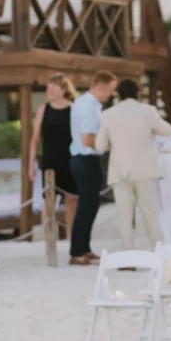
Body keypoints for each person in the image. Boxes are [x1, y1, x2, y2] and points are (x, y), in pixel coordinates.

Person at [97, 78, 171, 251]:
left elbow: (100, 146)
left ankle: (127, 258)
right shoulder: (148, 111)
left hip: (119, 172)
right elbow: (169, 131)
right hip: (145, 171)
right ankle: (159, 253)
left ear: (119, 94)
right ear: (137, 93)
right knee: (150, 215)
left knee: (124, 218)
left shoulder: (108, 114)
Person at [69, 70, 117, 266]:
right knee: (86, 207)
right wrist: (108, 145)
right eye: (110, 90)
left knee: (89, 206)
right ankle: (77, 252)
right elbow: (88, 139)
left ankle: (84, 248)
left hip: (80, 159)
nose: (111, 94)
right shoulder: (90, 107)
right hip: (86, 159)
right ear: (101, 87)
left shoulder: (82, 101)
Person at [29, 73, 79, 239]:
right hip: (50, 162)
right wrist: (31, 165)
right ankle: (49, 239)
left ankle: (73, 239)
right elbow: (35, 139)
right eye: (48, 87)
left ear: (63, 90)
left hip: (70, 161)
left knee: (72, 201)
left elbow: (78, 138)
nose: (48, 90)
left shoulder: (74, 109)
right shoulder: (44, 110)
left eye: (53, 87)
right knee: (49, 202)